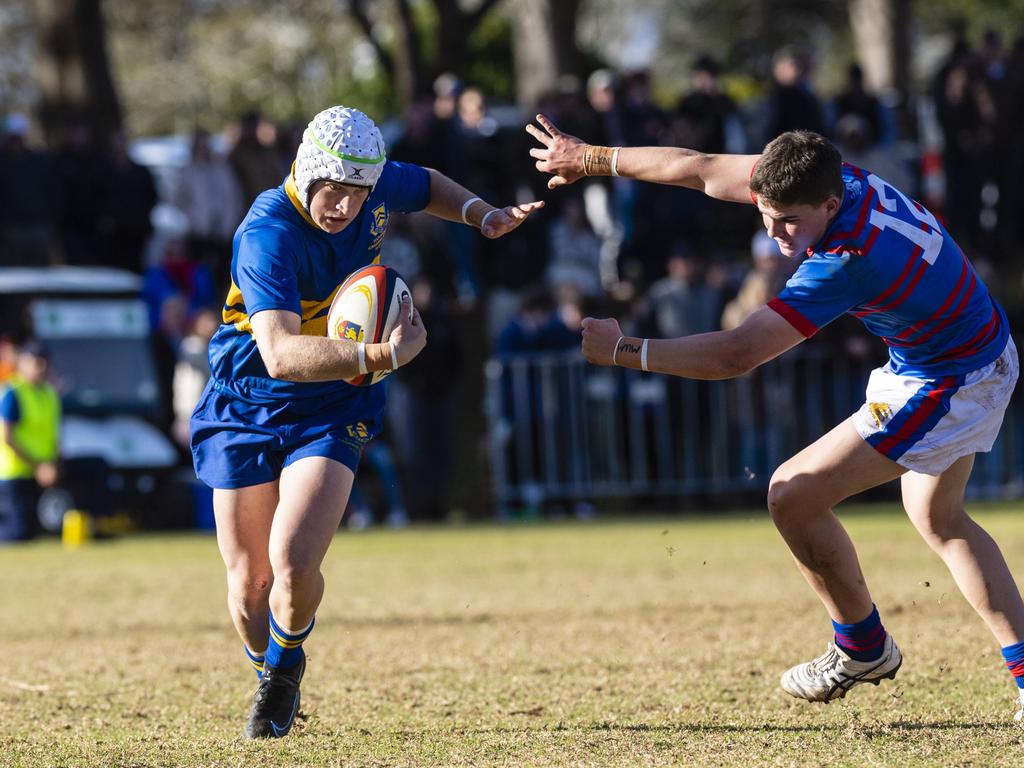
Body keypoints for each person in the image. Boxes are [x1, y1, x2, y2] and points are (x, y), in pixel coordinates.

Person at [527, 116, 1024, 718]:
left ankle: (862, 647)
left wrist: (623, 352)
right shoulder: (825, 179)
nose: (777, 231)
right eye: (766, 213)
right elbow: (700, 168)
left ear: (830, 203)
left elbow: (739, 354)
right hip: (964, 350)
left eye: (791, 221)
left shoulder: (849, 256)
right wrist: (591, 157)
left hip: (950, 376)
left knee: (792, 494)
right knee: (939, 521)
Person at [191, 105, 542, 739]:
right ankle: (271, 667)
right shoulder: (267, 232)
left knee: (293, 565)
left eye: (360, 193)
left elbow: (429, 184)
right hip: (245, 401)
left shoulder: (367, 180)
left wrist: (482, 215)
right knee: (249, 588)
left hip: (333, 402)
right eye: (336, 192)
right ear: (305, 171)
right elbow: (280, 354)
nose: (347, 207)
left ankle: (283, 673)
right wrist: (383, 355)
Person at [0, 341, 61, 542]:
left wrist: (53, 465)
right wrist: (38, 467)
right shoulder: (13, 392)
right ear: (23, 363)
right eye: (35, 362)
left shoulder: (50, 394)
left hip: (42, 472)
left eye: (43, 362)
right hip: (15, 474)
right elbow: (7, 437)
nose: (40, 367)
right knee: (19, 532)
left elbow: (54, 435)